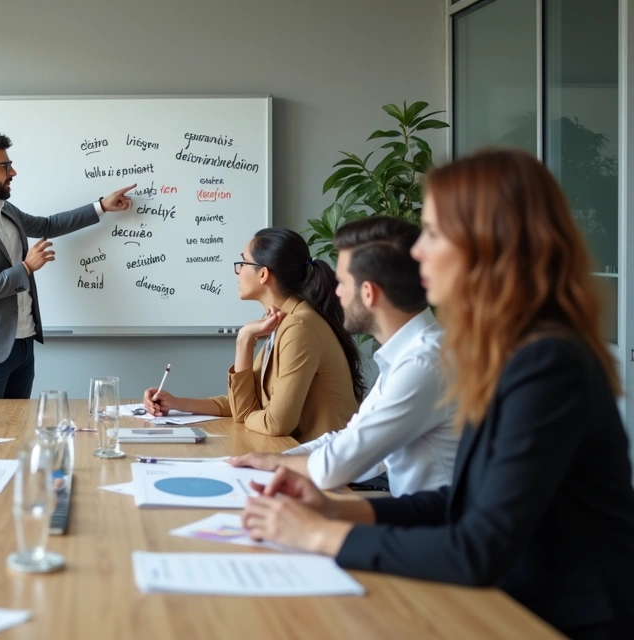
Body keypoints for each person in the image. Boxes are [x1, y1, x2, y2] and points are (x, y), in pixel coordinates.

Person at [242, 149, 634, 639]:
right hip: (508, 602)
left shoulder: (546, 362)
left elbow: (478, 546)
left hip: (556, 620)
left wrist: (321, 534)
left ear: (487, 245)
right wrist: (338, 509)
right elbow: (466, 500)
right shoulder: (504, 350)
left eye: (432, 233)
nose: (419, 251)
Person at [227, 217, 458, 496]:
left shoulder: (422, 364)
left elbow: (335, 466)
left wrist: (273, 460)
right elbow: (350, 438)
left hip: (431, 526)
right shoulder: (411, 356)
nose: (335, 292)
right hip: (411, 513)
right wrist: (275, 459)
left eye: (343, 283)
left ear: (368, 293)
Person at [0, 131, 136, 400]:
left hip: (23, 344)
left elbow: (48, 225)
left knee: (19, 430)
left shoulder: (5, 209)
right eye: (5, 166)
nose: (13, 172)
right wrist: (25, 269)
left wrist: (101, 206)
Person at [144, 227, 363, 443]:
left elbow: (274, 423)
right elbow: (247, 402)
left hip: (331, 467)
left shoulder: (299, 327)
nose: (237, 272)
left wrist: (245, 413)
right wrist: (175, 403)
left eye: (242, 263)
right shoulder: (283, 319)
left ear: (263, 274)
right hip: (304, 457)